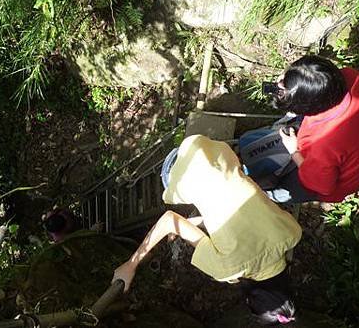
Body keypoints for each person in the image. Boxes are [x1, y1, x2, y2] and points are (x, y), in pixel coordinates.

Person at [112, 135, 301, 325]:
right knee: (170, 187)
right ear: (251, 298)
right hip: (188, 170)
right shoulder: (227, 270)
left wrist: (194, 223)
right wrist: (131, 265)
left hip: (217, 151)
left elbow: (246, 213)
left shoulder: (292, 233)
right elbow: (169, 220)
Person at [265, 55, 359, 204]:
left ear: (308, 108)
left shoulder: (324, 144)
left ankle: (267, 197)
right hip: (351, 142)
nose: (280, 78)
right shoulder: (350, 77)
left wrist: (294, 151)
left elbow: (322, 186)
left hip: (328, 182)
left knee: (281, 192)